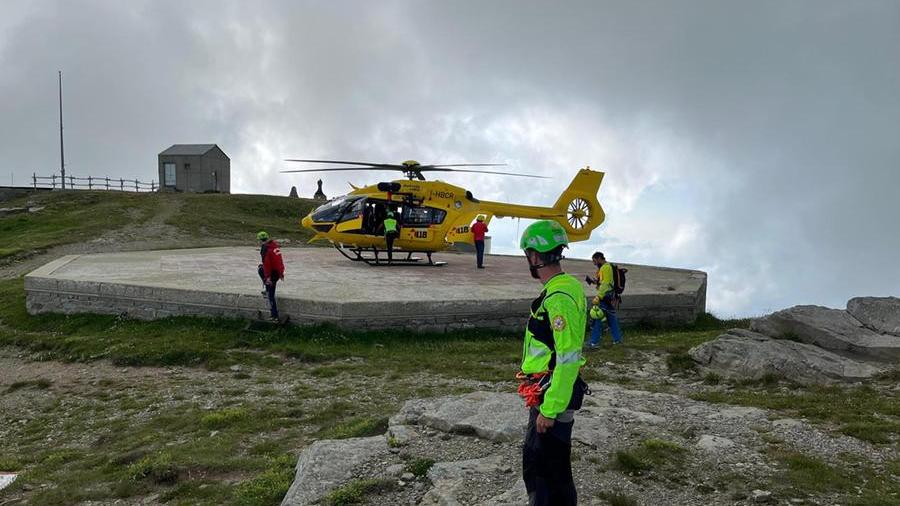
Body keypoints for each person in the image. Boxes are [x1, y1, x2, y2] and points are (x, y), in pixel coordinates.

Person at [517, 220, 587, 506]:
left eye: (527, 256)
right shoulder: (567, 286)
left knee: (543, 472)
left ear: (534, 256)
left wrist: (550, 408)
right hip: (547, 392)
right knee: (552, 470)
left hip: (551, 396)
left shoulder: (558, 298)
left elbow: (567, 357)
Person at [587, 251, 623, 347]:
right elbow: (605, 282)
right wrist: (595, 282)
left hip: (605, 296)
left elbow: (606, 284)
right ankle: (617, 339)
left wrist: (599, 296)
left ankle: (593, 342)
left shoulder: (605, 268)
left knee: (597, 317)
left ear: (599, 258)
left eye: (594, 261)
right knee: (612, 319)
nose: (594, 263)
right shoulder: (609, 266)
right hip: (611, 295)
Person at [257, 231, 285, 321]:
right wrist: (281, 273)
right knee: (260, 268)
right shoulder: (274, 246)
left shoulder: (265, 249)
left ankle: (274, 316)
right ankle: (267, 287)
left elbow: (267, 264)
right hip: (277, 273)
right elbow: (279, 260)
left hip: (272, 274)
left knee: (271, 295)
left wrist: (268, 277)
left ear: (260, 240)